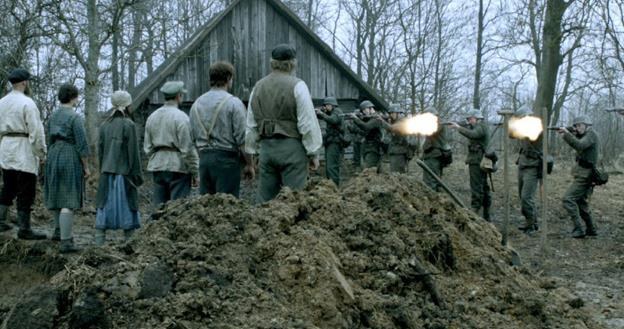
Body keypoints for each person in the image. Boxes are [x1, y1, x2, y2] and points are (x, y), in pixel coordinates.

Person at [245, 44, 322, 203]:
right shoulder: (298, 86)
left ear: (272, 62)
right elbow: (307, 123)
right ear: (292, 63)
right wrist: (313, 152)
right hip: (292, 151)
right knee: (295, 201)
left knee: (265, 202)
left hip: (267, 151)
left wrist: (252, 153)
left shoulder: (257, 87)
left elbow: (251, 125)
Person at [190, 61, 254, 197]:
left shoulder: (196, 105)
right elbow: (243, 139)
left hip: (204, 161)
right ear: (229, 78)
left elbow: (193, 138)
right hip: (227, 162)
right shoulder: (234, 103)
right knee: (226, 208)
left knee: (205, 208)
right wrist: (250, 164)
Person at [0, 68, 47, 239]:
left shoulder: (2, 102)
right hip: (23, 147)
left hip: (6, 147)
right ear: (24, 82)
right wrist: (41, 153)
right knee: (26, 189)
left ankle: (0, 221)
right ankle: (25, 229)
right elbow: (36, 131)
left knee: (9, 185)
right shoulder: (27, 103)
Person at [44, 84, 90, 252]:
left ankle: (57, 231)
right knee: (68, 198)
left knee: (57, 193)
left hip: (53, 153)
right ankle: (66, 241)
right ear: (73, 97)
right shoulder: (74, 117)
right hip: (69, 154)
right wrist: (86, 167)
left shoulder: (53, 116)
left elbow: (48, 138)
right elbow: (82, 144)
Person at [95, 91, 143, 245]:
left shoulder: (104, 125)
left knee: (103, 206)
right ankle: (130, 245)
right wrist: (137, 176)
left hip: (106, 174)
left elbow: (100, 153)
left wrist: (102, 169)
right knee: (128, 207)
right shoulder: (129, 125)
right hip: (124, 175)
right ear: (127, 105)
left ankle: (99, 245)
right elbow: (133, 154)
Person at [144, 81, 199, 205]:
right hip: (177, 167)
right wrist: (196, 172)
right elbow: (188, 149)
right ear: (178, 96)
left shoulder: (152, 117)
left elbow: (147, 147)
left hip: (158, 165)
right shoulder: (181, 118)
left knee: (159, 207)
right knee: (177, 208)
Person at [557, 115, 599, 238]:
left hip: (586, 175)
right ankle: (591, 229)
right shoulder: (585, 135)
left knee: (568, 199)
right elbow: (577, 143)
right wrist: (568, 133)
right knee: (581, 203)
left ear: (587, 125)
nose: (577, 127)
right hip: (583, 173)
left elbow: (580, 145)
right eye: (575, 126)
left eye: (579, 125)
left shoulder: (591, 134)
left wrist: (567, 134)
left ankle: (579, 228)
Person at [449, 109, 492, 220]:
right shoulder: (478, 126)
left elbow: (473, 134)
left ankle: (475, 210)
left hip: (478, 161)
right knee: (483, 186)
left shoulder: (481, 126)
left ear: (476, 118)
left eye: (470, 118)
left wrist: (458, 128)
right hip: (478, 160)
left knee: (477, 186)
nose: (468, 121)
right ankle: (486, 214)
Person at [513, 107, 542, 234]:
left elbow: (530, 135)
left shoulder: (536, 126)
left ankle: (531, 224)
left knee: (526, 197)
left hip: (533, 166)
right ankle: (531, 221)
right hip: (523, 164)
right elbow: (511, 135)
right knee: (522, 196)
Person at [316, 97, 344, 185]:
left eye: (327, 105)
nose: (326, 107)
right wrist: (319, 112)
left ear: (332, 105)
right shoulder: (330, 112)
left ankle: (334, 186)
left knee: (332, 166)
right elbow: (321, 116)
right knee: (329, 165)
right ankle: (330, 185)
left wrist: (322, 113)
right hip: (330, 142)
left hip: (335, 142)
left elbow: (333, 120)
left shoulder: (337, 112)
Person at [351, 100, 384, 171]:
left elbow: (367, 127)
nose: (363, 112)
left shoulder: (377, 118)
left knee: (369, 169)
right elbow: (363, 131)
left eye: (364, 109)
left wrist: (356, 119)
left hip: (374, 147)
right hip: (367, 146)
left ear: (370, 108)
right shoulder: (369, 118)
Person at [422, 108, 450, 191]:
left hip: (434, 155)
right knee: (434, 179)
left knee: (431, 181)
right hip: (432, 155)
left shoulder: (438, 124)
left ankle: (432, 200)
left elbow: (430, 131)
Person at [383, 104, 413, 173]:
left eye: (392, 113)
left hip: (400, 152)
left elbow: (393, 128)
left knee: (398, 174)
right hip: (395, 151)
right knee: (394, 173)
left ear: (397, 113)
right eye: (390, 113)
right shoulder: (394, 122)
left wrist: (382, 121)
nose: (390, 115)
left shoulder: (403, 122)